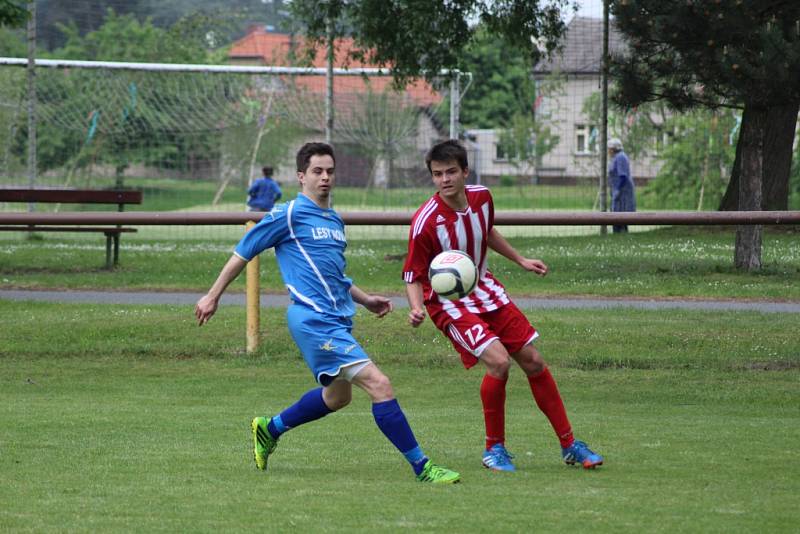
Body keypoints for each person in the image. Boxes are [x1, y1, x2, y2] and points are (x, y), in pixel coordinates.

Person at [196, 142, 460, 484]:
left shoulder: (334, 220)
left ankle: (270, 428)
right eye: (317, 171)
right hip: (312, 320)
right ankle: (423, 467)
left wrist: (365, 300)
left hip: (335, 320)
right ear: (301, 176)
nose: (325, 178)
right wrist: (212, 296)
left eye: (330, 171)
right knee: (380, 385)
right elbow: (242, 253)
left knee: (337, 397)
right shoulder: (288, 214)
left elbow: (335, 276)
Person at [403, 139, 603, 472]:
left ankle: (570, 445)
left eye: (451, 171)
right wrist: (415, 308)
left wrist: (521, 260)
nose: (444, 179)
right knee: (499, 362)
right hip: (449, 304)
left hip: (487, 290)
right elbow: (412, 273)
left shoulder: (482, 197)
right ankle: (493, 449)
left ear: (465, 171)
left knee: (534, 362)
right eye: (437, 174)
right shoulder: (425, 221)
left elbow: (487, 232)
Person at [607, 138, 635, 233]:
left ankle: (621, 233)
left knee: (620, 214)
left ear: (614, 149)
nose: (608, 151)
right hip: (617, 189)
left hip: (622, 190)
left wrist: (618, 189)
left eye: (609, 148)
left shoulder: (620, 157)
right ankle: (618, 233)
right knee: (616, 214)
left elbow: (623, 175)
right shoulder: (616, 157)